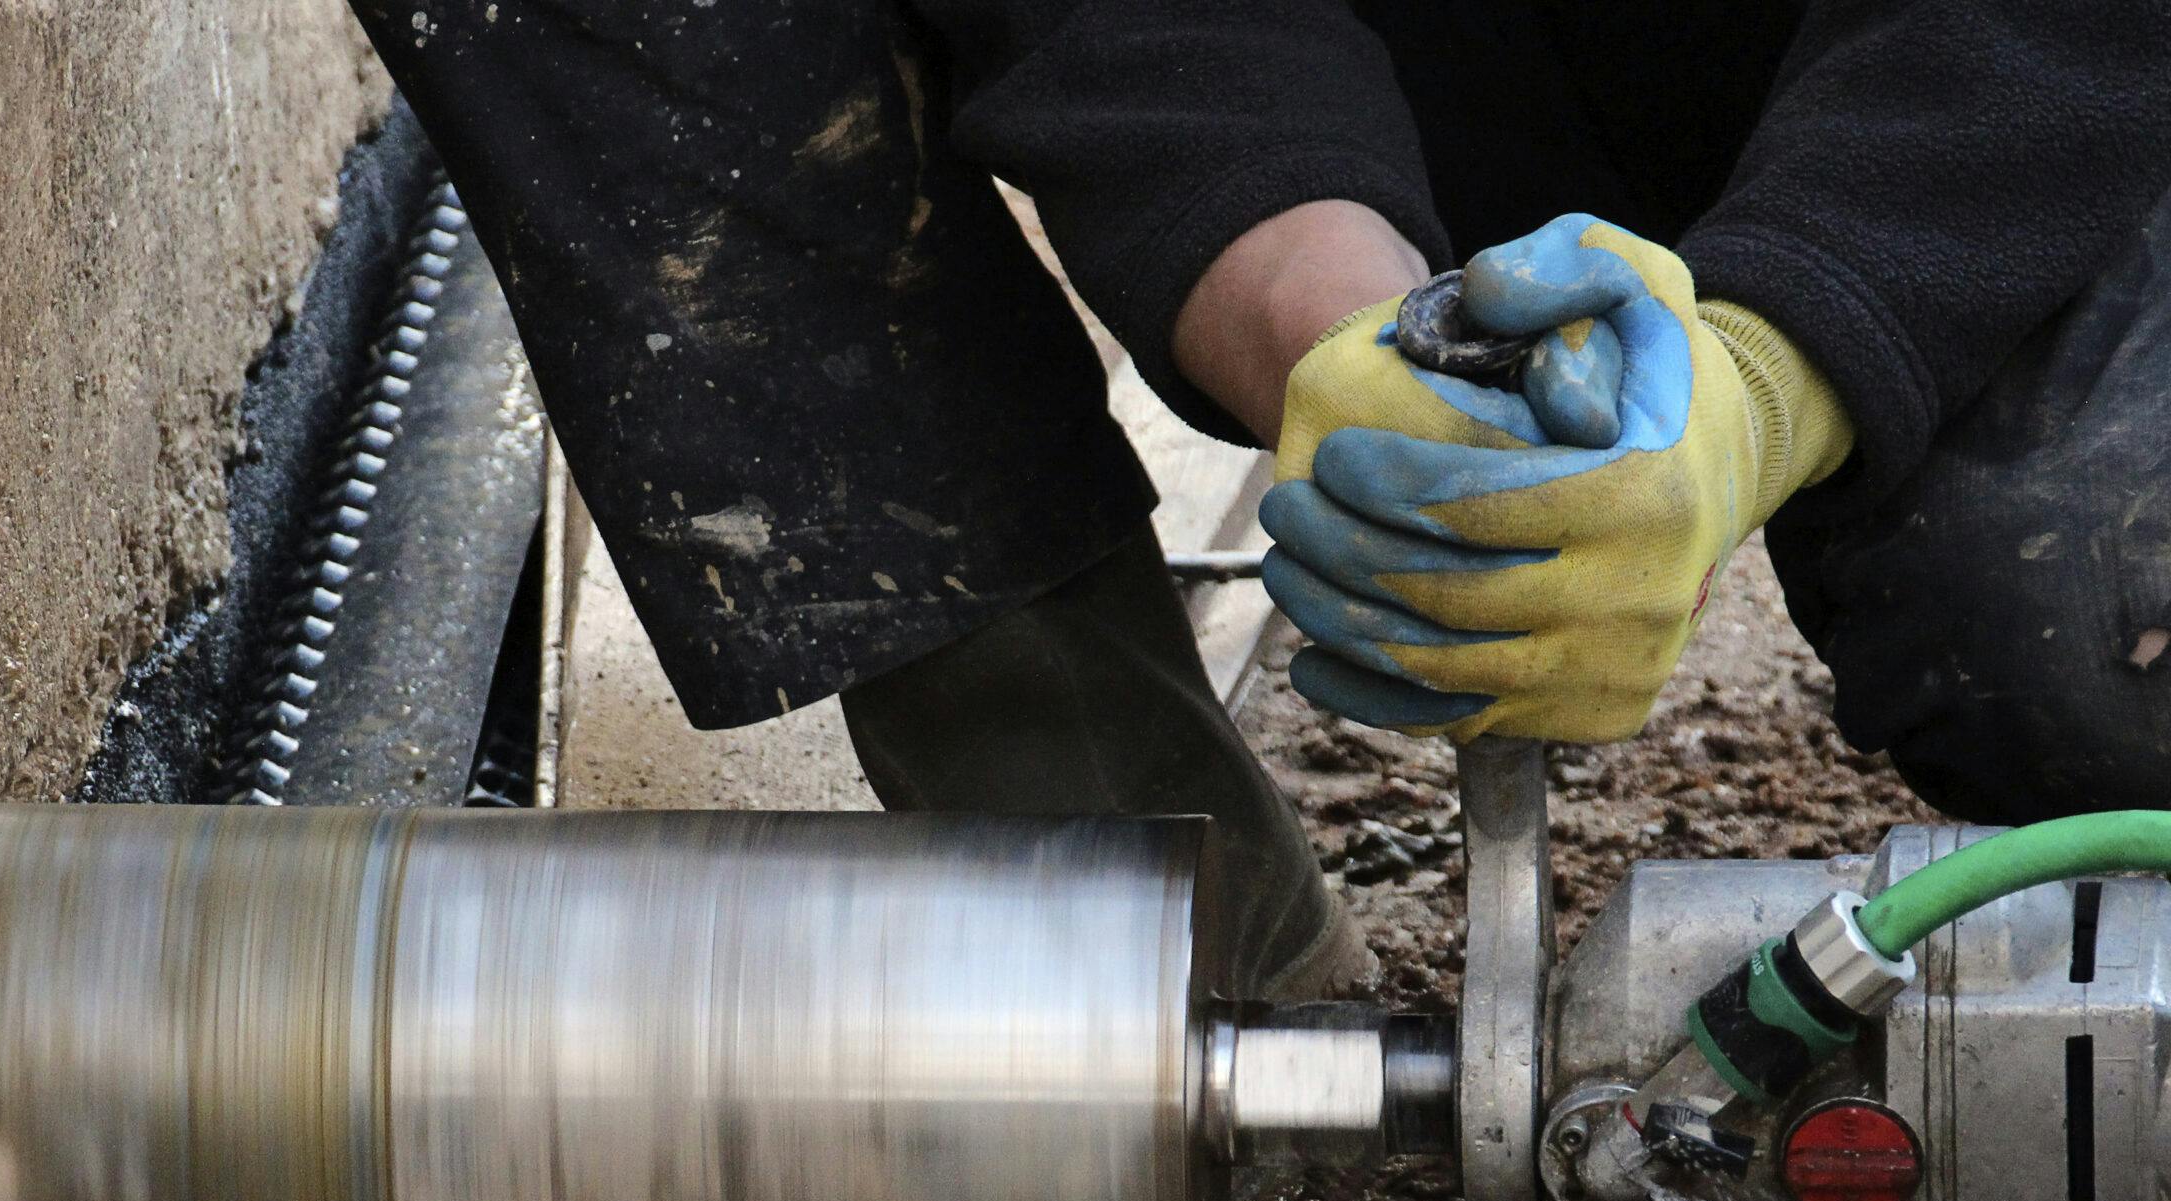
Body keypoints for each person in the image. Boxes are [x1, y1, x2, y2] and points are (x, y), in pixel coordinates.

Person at [345, 1, 2171, 999]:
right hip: (1403, 67)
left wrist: (1786, 364)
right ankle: (1139, 924)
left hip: (2017, 87)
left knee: (2095, 641)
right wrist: (1332, 317)